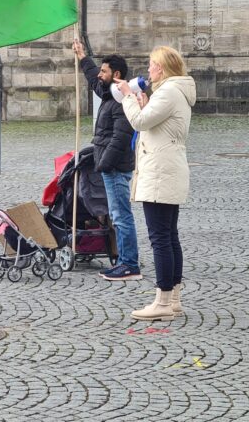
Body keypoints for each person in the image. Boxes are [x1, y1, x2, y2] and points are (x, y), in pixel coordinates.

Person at [117, 46, 196, 321]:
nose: (148, 70)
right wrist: (143, 104)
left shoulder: (169, 91)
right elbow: (154, 122)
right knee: (169, 235)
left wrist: (128, 97)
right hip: (168, 169)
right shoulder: (175, 91)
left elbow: (139, 123)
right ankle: (173, 297)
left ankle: (162, 301)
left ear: (160, 68)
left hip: (161, 172)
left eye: (151, 65)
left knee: (160, 238)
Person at [72, 40, 141, 281]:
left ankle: (129, 263)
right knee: (116, 214)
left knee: (121, 215)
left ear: (117, 75)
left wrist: (103, 164)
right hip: (110, 166)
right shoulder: (108, 92)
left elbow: (121, 138)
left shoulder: (122, 100)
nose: (100, 75)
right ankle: (124, 261)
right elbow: (94, 79)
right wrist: (82, 57)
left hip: (115, 168)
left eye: (104, 71)